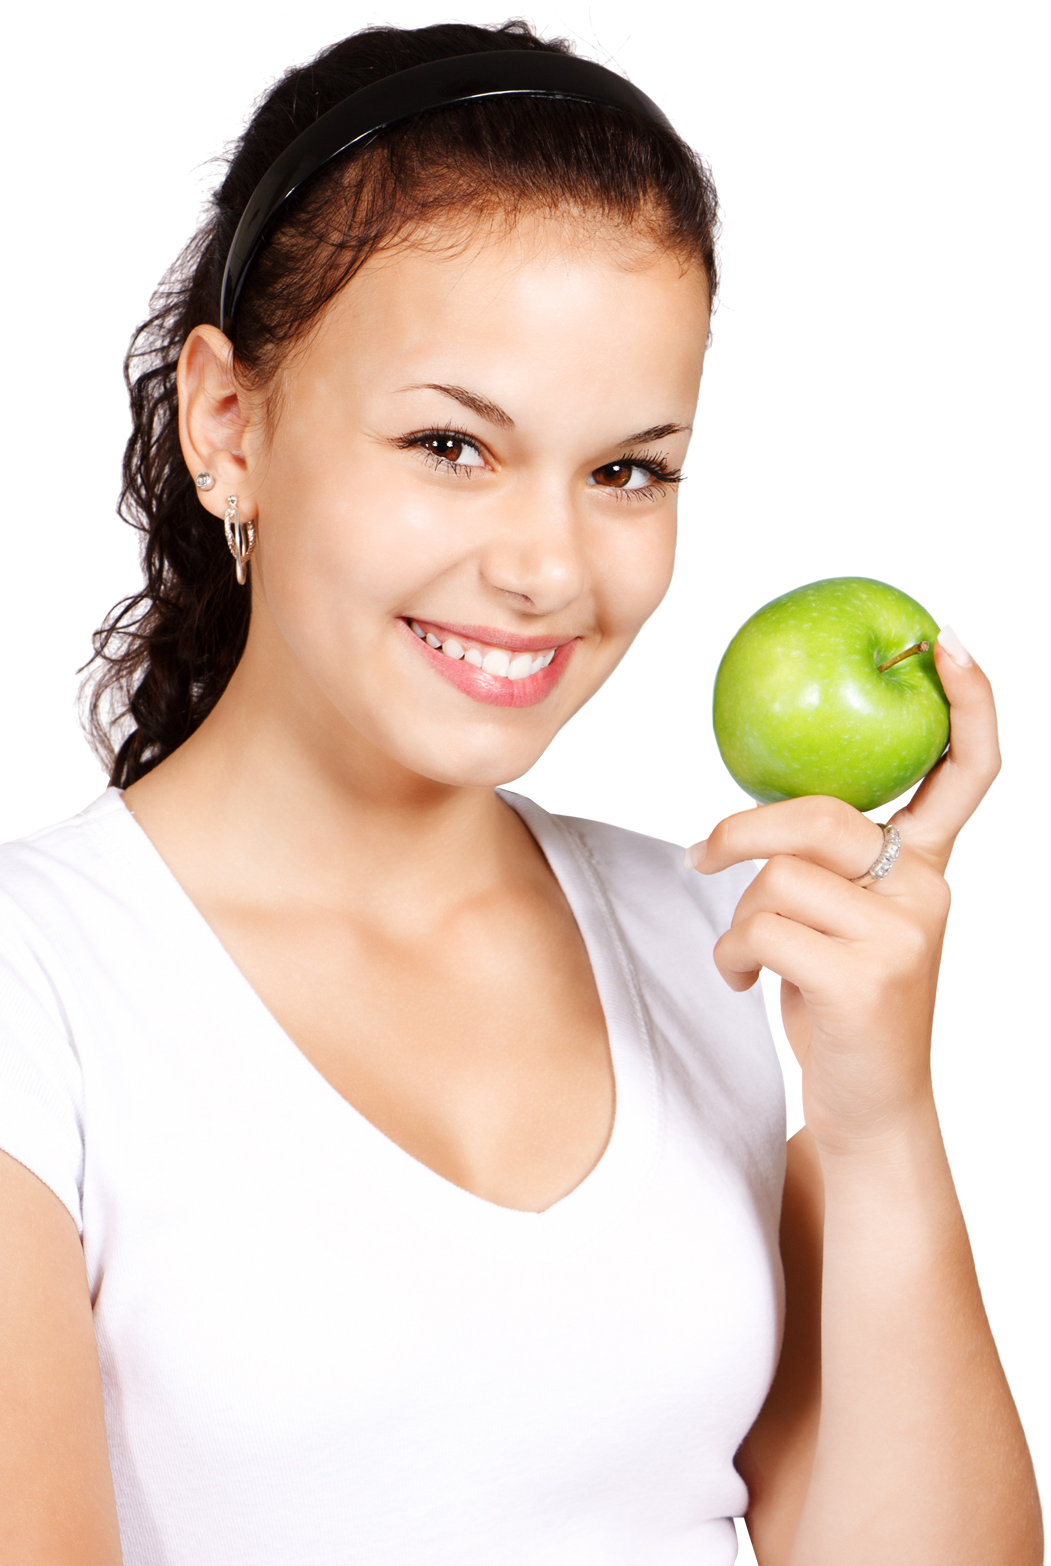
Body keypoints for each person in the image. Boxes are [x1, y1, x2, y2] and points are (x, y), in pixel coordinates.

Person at [0, 20, 1040, 1566]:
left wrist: (879, 1115)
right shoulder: (46, 983)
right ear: (229, 422)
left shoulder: (726, 931)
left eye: (625, 470)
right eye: (450, 443)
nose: (551, 570)